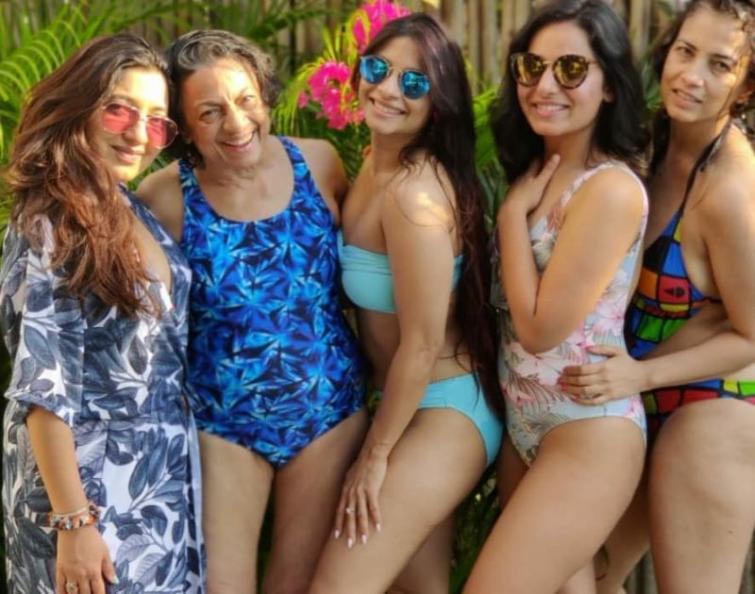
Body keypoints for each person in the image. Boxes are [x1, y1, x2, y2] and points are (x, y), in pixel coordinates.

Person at [135, 30, 366, 593]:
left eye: (245, 100)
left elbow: (372, 269)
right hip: (223, 425)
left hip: (328, 415)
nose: (236, 124)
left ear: (265, 96)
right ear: (184, 127)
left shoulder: (319, 162)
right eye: (210, 112)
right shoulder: (163, 198)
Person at [559, 1, 755, 592]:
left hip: (710, 409)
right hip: (630, 401)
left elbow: (752, 336)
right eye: (686, 52)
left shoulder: (731, 192)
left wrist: (640, 377)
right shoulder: (645, 143)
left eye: (720, 65)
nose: (692, 76)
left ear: (745, 88)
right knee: (577, 579)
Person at [0, 33, 204, 594]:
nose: (139, 134)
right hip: (84, 493)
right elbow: (44, 387)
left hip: (156, 483)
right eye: (119, 110)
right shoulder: (52, 219)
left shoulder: (128, 203)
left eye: (157, 122)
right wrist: (74, 523)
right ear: (80, 106)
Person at [308, 13, 502, 594]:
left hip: (445, 409)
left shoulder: (415, 197)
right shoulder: (372, 166)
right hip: (402, 406)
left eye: (414, 82)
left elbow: (420, 345)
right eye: (378, 69)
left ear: (437, 102)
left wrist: (374, 456)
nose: (389, 89)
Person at [463, 1, 651, 592]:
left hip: (587, 428)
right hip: (525, 424)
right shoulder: (536, 174)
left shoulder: (610, 189)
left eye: (570, 69)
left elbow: (541, 329)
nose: (544, 85)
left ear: (610, 86)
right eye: (531, 66)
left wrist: (510, 219)